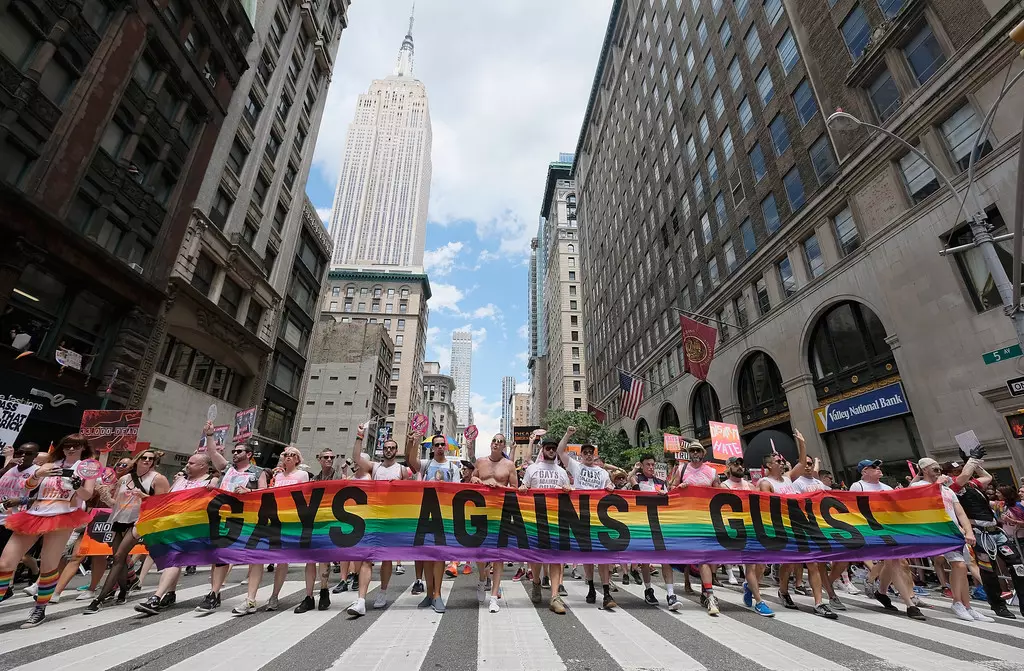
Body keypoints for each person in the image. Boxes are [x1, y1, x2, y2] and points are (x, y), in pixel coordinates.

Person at [0, 434, 98, 627]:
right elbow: (28, 487)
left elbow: (88, 494)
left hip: (63, 515)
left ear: (83, 448)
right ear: (62, 447)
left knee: (48, 565)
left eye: (76, 446)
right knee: (5, 562)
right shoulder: (48, 463)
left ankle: (40, 608)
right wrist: (37, 475)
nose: (71, 449)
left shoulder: (86, 467)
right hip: (34, 513)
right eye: (68, 445)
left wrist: (77, 486)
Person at [84, 448, 170, 614]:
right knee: (120, 559)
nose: (147, 461)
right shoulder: (124, 478)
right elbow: (116, 502)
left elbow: (162, 504)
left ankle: (99, 599)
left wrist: (144, 497)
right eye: (143, 457)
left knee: (118, 557)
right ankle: (123, 590)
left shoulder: (158, 479)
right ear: (136, 460)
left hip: (140, 522)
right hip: (120, 519)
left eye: (150, 459)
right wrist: (104, 494)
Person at [135, 454, 219, 616]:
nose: (187, 465)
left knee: (174, 559)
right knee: (173, 559)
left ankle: (156, 597)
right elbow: (166, 500)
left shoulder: (211, 482)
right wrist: (146, 498)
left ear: (203, 466)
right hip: (173, 526)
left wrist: (214, 483)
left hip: (193, 529)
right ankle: (170, 594)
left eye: (192, 463)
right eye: (188, 462)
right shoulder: (180, 480)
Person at [910, 458, 990, 622]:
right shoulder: (917, 487)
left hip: (955, 532)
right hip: (937, 531)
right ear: (924, 469)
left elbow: (960, 512)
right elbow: (921, 503)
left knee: (963, 567)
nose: (939, 472)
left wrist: (968, 531)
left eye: (939, 469)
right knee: (958, 565)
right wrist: (936, 485)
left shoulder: (947, 490)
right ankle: (957, 602)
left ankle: (966, 605)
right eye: (935, 469)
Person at [234, 446, 310, 616]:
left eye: (292, 455)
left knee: (282, 560)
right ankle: (250, 598)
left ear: (298, 459)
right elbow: (269, 493)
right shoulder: (277, 476)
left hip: (289, 521)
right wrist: (252, 492)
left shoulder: (302, 475)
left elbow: (302, 497)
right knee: (258, 555)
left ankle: (274, 596)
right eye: (286, 455)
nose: (288, 458)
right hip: (270, 518)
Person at [945, 456, 1024, 618]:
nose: (959, 471)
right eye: (955, 470)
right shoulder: (951, 487)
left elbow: (987, 477)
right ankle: (998, 605)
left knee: (1018, 565)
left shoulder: (973, 484)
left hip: (996, 531)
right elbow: (963, 478)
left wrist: (976, 464)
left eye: (960, 468)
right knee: (988, 571)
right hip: (980, 533)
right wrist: (972, 461)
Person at [195, 441, 267, 614]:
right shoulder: (227, 468)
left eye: (239, 451)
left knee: (254, 558)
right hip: (225, 519)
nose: (234, 453)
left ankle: (250, 599)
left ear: (249, 454)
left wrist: (249, 492)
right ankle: (214, 594)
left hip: (249, 520)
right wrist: (210, 435)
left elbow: (265, 493)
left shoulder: (258, 472)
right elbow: (212, 453)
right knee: (221, 556)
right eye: (233, 451)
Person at [849, 458, 926, 620]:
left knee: (894, 562)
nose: (878, 469)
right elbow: (852, 508)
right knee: (894, 561)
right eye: (873, 467)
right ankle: (909, 604)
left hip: (889, 528)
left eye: (878, 466)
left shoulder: (886, 487)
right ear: (864, 472)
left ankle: (881, 591)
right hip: (872, 530)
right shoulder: (858, 486)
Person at [347, 433, 409, 616]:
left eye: (392, 448)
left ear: (396, 451)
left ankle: (383, 591)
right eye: (386, 447)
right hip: (373, 516)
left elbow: (410, 493)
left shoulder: (402, 470)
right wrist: (359, 436)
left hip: (392, 518)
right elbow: (357, 457)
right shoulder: (375, 467)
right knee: (367, 557)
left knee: (387, 558)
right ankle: (361, 600)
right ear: (383, 450)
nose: (389, 450)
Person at [555, 427, 617, 611]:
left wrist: (611, 486)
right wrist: (567, 434)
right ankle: (590, 587)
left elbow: (609, 485)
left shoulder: (603, 472)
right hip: (581, 517)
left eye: (591, 453)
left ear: (595, 455)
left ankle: (606, 593)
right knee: (588, 556)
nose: (589, 455)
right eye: (586, 453)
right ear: (581, 455)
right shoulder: (575, 466)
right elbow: (560, 451)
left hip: (600, 518)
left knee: (603, 556)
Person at [520, 435, 571, 614]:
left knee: (556, 559)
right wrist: (523, 489)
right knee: (536, 558)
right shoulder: (532, 469)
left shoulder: (562, 472)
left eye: (553, 448)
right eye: (548, 447)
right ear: (542, 449)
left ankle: (555, 596)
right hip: (536, 520)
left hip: (556, 520)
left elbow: (570, 494)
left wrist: (568, 490)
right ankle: (536, 583)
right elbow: (523, 488)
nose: (551, 450)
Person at [670, 443, 722, 615]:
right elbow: (672, 490)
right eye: (691, 450)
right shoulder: (681, 470)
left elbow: (720, 495)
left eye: (697, 450)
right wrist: (680, 488)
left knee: (704, 557)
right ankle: (705, 592)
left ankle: (708, 594)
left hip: (706, 519)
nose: (694, 453)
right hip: (687, 519)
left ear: (703, 453)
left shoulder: (712, 472)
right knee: (696, 557)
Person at [470, 432, 519, 613]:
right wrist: (475, 479)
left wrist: (500, 487)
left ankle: (493, 596)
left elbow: (515, 489)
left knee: (499, 556)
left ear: (504, 446)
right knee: (480, 554)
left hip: (500, 513)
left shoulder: (509, 465)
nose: (496, 444)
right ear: (490, 443)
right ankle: (482, 580)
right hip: (481, 512)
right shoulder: (481, 462)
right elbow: (472, 480)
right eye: (494, 440)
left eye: (500, 442)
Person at [791, 454, 847, 613]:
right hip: (808, 527)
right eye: (805, 464)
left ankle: (827, 586)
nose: (808, 466)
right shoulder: (797, 484)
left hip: (827, 527)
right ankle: (826, 598)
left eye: (810, 464)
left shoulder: (819, 484)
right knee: (816, 564)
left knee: (843, 559)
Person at [720, 456, 774, 617]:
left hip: (753, 528)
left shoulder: (751, 485)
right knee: (750, 565)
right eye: (735, 464)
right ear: (729, 467)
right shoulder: (725, 486)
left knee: (762, 566)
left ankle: (749, 587)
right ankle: (759, 602)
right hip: (738, 530)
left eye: (741, 463)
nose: (739, 466)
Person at [406, 431, 453, 614]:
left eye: (443, 444)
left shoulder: (452, 466)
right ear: (432, 448)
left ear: (445, 447)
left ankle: (438, 594)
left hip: (444, 515)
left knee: (439, 555)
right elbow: (412, 461)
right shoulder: (426, 465)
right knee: (426, 555)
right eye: (437, 445)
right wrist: (415, 442)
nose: (440, 447)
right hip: (426, 514)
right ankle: (429, 593)